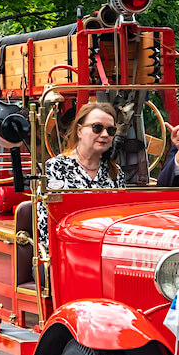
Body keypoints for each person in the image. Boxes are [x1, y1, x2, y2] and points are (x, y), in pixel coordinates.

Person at [37, 102, 126, 247]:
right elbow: (44, 225)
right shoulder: (55, 168)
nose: (104, 134)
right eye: (97, 128)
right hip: (65, 253)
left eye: (110, 130)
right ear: (79, 130)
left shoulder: (115, 173)